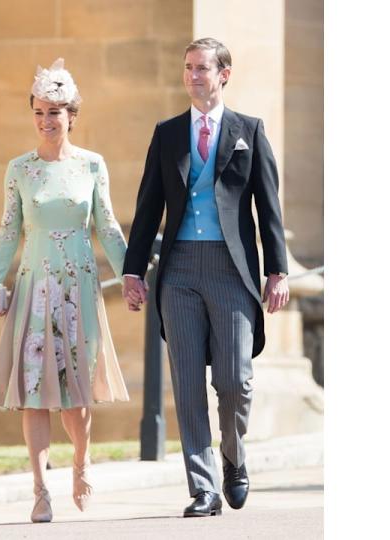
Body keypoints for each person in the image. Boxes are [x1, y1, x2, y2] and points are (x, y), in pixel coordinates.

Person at [121, 38, 291, 518]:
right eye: (188, 68)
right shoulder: (167, 132)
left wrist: (276, 269)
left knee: (235, 380)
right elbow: (148, 205)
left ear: (224, 75)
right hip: (177, 272)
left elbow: (269, 208)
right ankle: (204, 488)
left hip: (231, 270)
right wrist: (134, 270)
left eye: (203, 69)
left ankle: (234, 458)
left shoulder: (249, 131)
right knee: (189, 380)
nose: (194, 76)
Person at [0, 58, 130, 523]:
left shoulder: (92, 165)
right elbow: (9, 231)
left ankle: (80, 462)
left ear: (72, 116)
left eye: (55, 112)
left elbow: (106, 226)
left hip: (79, 289)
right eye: (40, 112)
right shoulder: (20, 169)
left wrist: (132, 275)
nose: (47, 121)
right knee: (33, 390)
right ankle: (40, 489)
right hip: (34, 289)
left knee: (74, 395)